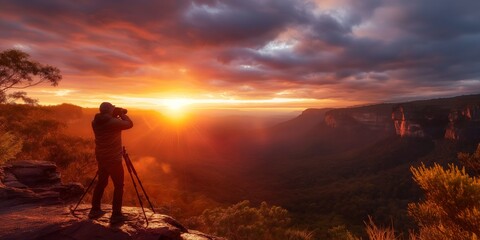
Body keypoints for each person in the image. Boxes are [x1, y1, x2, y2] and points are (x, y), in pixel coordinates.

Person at [88, 102, 133, 223]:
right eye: (112, 108)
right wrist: (122, 114)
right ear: (109, 110)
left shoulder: (95, 122)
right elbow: (130, 124)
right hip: (113, 159)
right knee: (119, 186)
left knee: (101, 183)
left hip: (102, 158)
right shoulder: (112, 122)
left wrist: (114, 114)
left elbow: (107, 121)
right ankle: (116, 214)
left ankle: (95, 209)